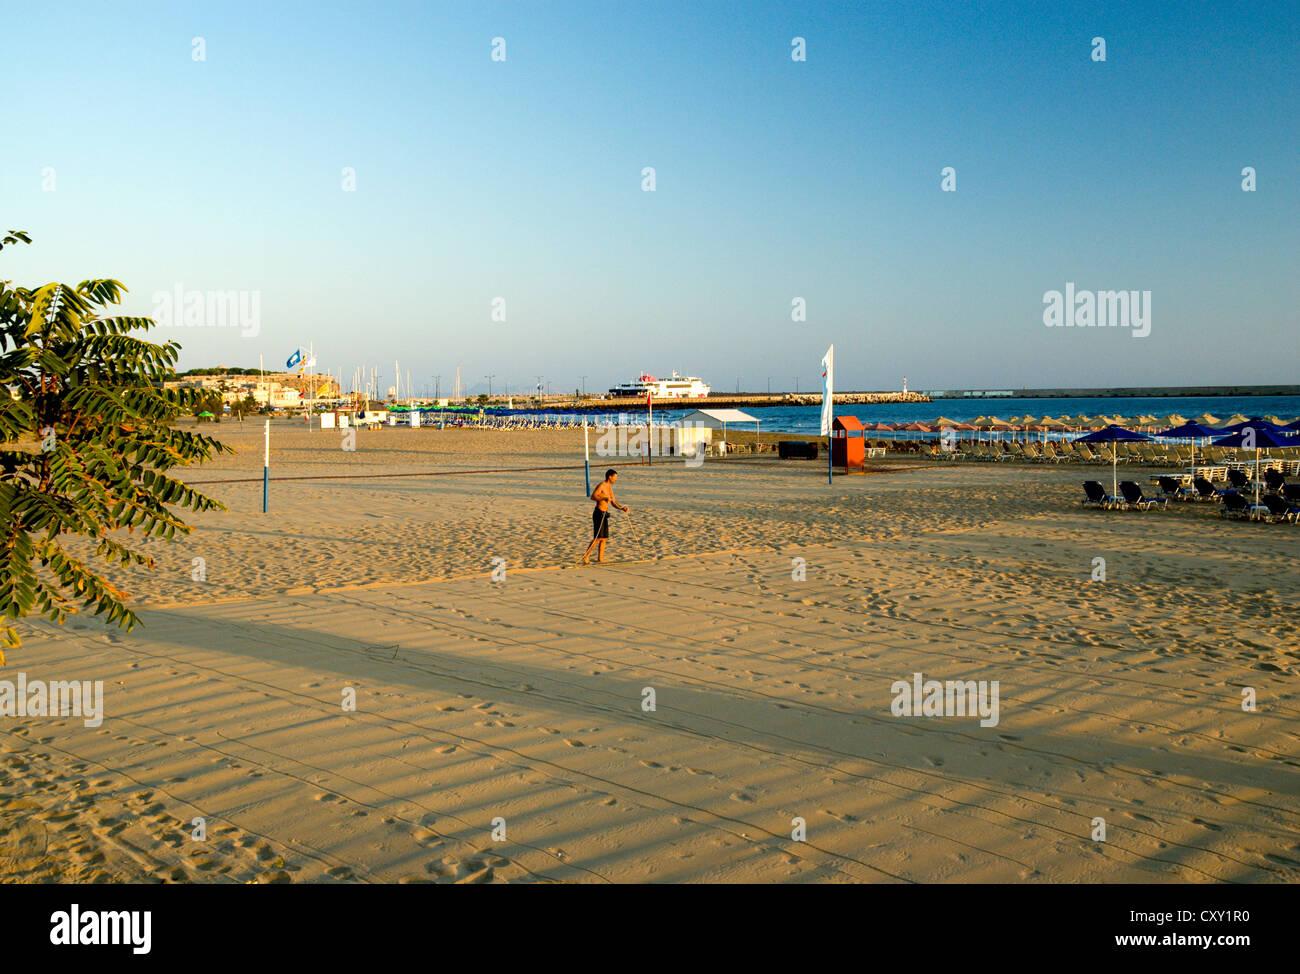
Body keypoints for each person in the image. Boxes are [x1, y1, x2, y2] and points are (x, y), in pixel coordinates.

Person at [583, 468, 628, 564]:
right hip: (598, 513)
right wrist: (603, 497)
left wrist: (622, 508)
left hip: (605, 514)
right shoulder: (602, 485)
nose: (615, 479)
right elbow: (593, 496)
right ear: (609, 477)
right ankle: (586, 556)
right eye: (615, 477)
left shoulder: (609, 488)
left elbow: (614, 502)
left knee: (604, 538)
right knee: (598, 537)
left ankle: (600, 558)